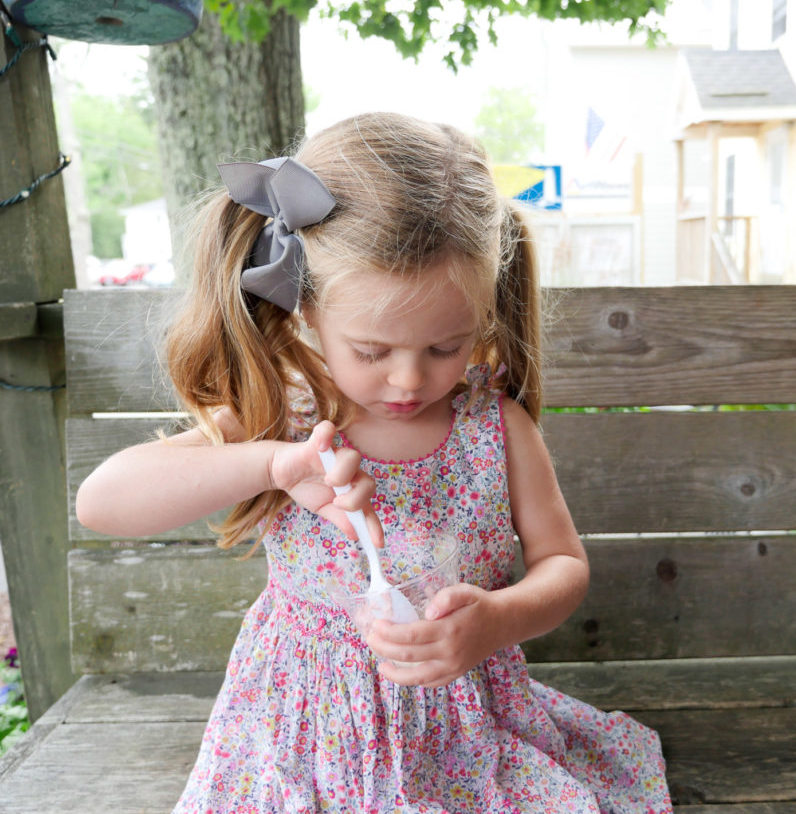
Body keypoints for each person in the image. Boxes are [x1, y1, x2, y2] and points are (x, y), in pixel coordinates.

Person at [76, 112, 673, 814]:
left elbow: (563, 566)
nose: (409, 380)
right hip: (300, 740)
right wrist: (272, 464)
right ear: (307, 309)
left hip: (459, 741)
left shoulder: (494, 428)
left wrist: (497, 620)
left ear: (482, 315)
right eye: (371, 351)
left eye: (445, 347)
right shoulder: (283, 416)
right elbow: (102, 501)